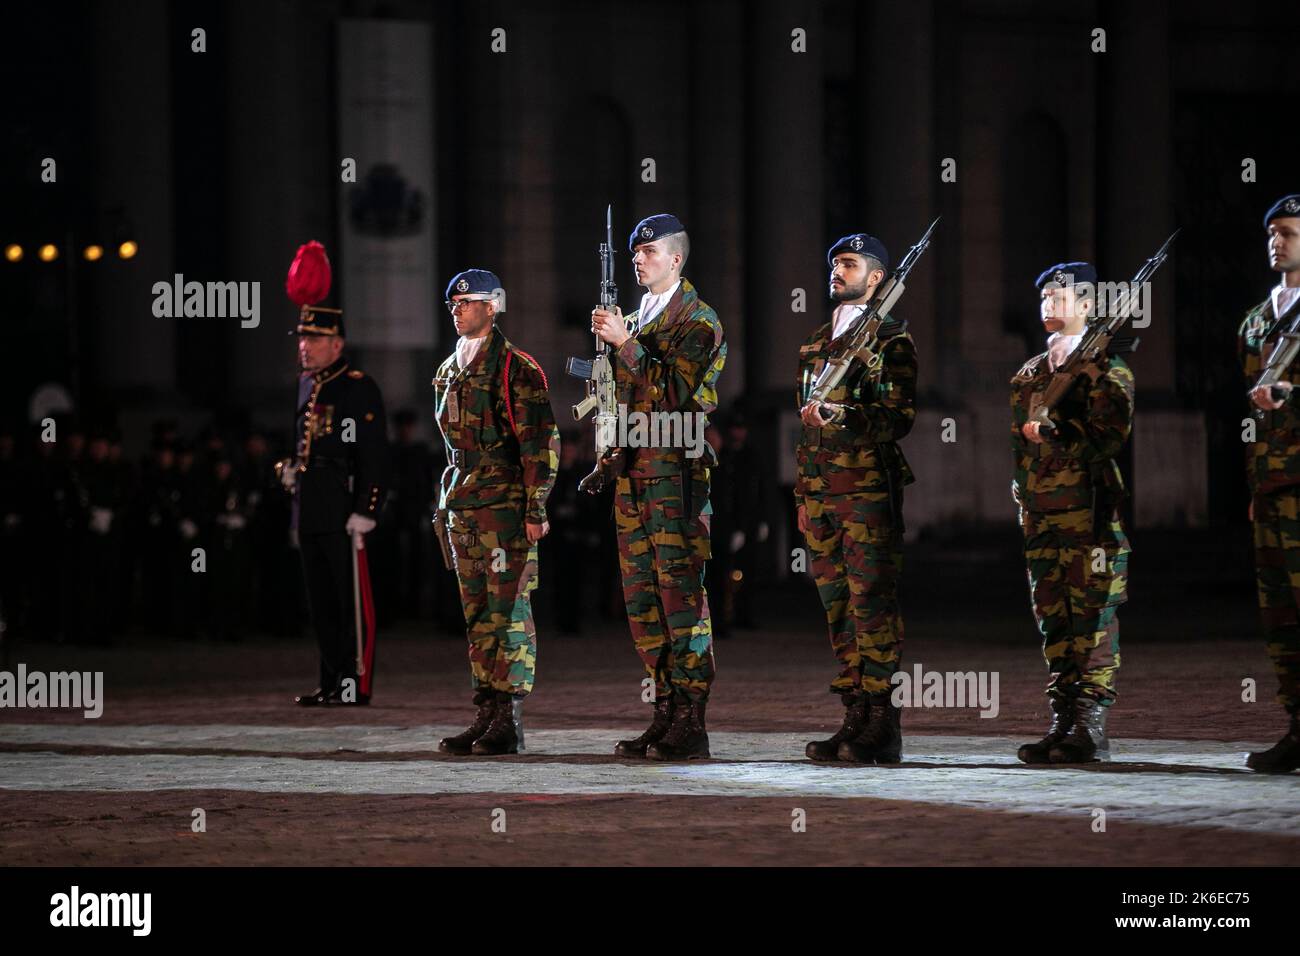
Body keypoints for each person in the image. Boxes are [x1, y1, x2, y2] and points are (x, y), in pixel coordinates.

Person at [589, 213, 726, 760]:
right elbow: (618, 398)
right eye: (635, 253)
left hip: (675, 475)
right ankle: (664, 711)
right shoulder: (636, 318)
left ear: (676, 258)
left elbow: (674, 394)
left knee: (681, 599)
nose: (638, 259)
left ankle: (692, 721)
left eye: (648, 251)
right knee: (642, 602)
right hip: (632, 476)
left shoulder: (699, 320)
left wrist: (625, 343)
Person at [796, 233, 916, 764]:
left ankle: (882, 723)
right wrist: (803, 491)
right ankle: (853, 716)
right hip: (821, 492)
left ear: (876, 278)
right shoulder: (820, 339)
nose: (836, 271)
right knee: (838, 606)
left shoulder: (892, 340)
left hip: (866, 491)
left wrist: (842, 414)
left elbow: (897, 418)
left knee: (872, 605)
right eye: (834, 263)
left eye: (849, 264)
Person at [433, 269, 559, 756]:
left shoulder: (515, 367)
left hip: (505, 505)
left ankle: (508, 717)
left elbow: (540, 443)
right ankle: (485, 711)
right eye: (455, 303)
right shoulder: (448, 369)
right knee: (478, 613)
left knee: (509, 611)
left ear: (494, 306)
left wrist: (535, 506)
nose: (459, 309)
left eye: (469, 302)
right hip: (464, 503)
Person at [1011, 262, 1133, 764]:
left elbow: (1109, 436)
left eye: (1058, 296)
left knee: (1094, 615)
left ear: (1086, 305)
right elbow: (1019, 447)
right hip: (1042, 515)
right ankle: (1062, 719)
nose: (1047, 305)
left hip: (1089, 511)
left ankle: (1090, 722)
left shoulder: (1107, 369)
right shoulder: (1028, 374)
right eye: (1042, 297)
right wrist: (1021, 490)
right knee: (1053, 618)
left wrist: (1060, 432)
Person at [276, 240, 390, 706]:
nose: (305, 347)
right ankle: (330, 678)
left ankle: (354, 682)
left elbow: (373, 455)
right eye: (302, 339)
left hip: (342, 503)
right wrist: (288, 469)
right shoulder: (307, 384)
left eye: (314, 339)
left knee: (349, 602)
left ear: (337, 343)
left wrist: (367, 507)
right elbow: (304, 442)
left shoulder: (356, 388)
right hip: (311, 501)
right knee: (320, 600)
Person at [1239, 193, 1300, 773]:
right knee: (1280, 613)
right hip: (1273, 486)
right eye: (1271, 233)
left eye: (1287, 232)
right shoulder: (1256, 323)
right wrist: (1255, 489)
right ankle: (1298, 723)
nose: (1276, 242)